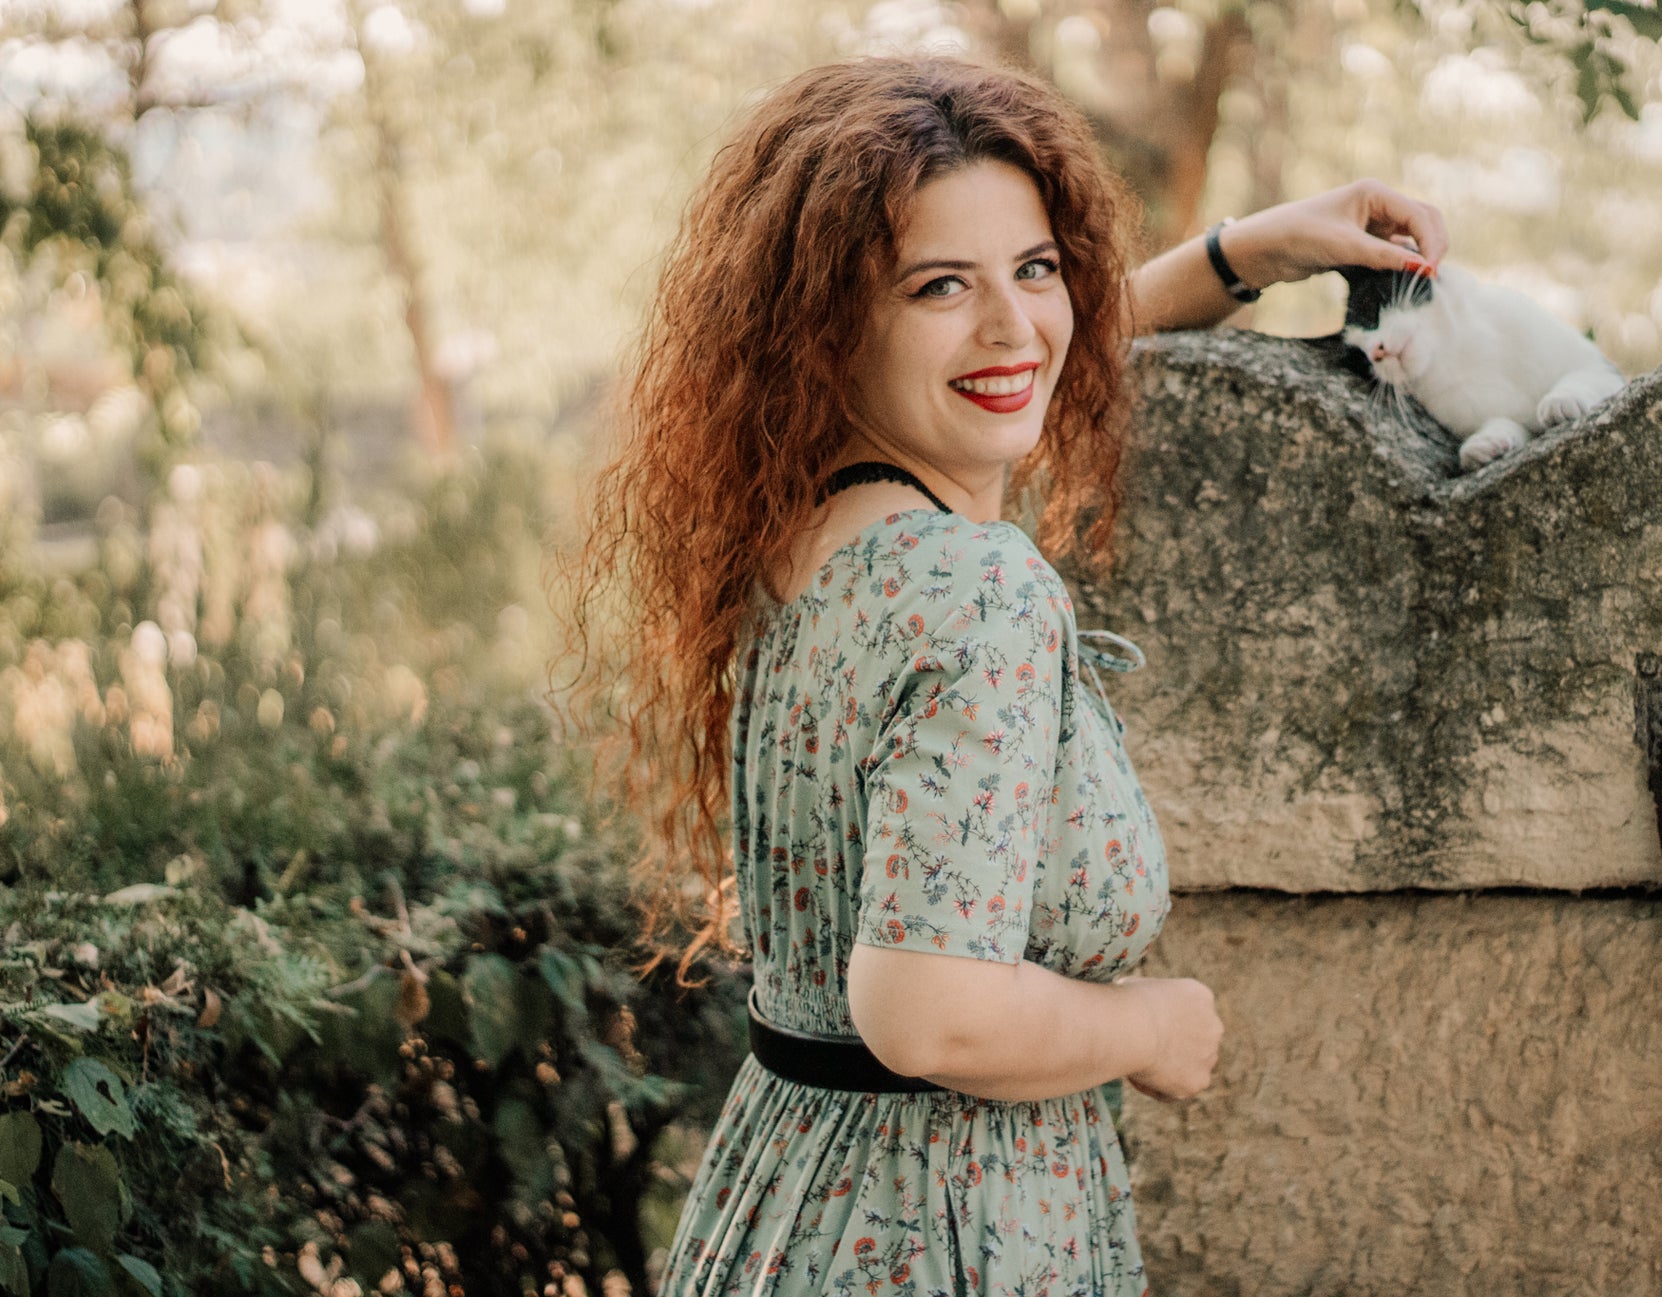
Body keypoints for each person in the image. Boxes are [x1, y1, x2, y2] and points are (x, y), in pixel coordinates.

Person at [559, 55, 1445, 1297]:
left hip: (791, 1201)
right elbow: (930, 1012)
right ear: (824, 324)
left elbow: (1004, 367)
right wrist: (1150, 1026)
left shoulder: (808, 520)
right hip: (944, 1231)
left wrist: (1241, 255)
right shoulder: (975, 590)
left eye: (1035, 269)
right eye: (936, 285)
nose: (1012, 326)